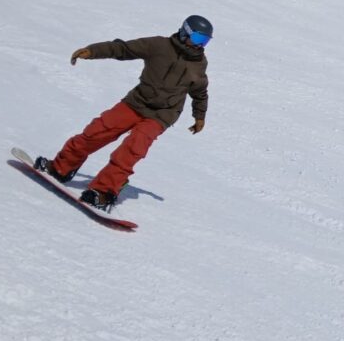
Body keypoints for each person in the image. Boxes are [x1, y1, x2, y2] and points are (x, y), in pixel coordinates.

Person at [35, 15, 213, 211]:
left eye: (205, 41)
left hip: (162, 115)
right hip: (136, 102)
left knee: (132, 149)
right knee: (97, 131)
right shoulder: (158, 46)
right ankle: (61, 167)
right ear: (184, 32)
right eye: (198, 39)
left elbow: (200, 92)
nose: (200, 45)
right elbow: (123, 49)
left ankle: (103, 192)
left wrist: (199, 116)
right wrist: (93, 51)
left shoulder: (199, 64)